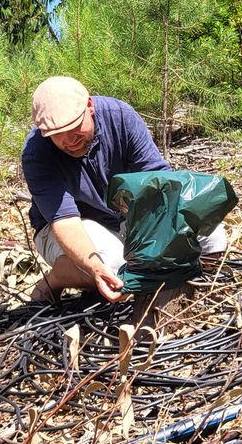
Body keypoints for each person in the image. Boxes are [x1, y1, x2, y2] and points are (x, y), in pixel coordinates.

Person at [22, 75, 227, 302]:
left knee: (212, 237)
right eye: (56, 134)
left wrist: (171, 234)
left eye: (74, 127)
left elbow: (157, 179)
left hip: (120, 214)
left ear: (89, 106)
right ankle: (58, 278)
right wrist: (95, 268)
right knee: (114, 268)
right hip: (66, 226)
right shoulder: (36, 154)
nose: (68, 140)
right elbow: (65, 221)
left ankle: (189, 293)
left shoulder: (119, 117)